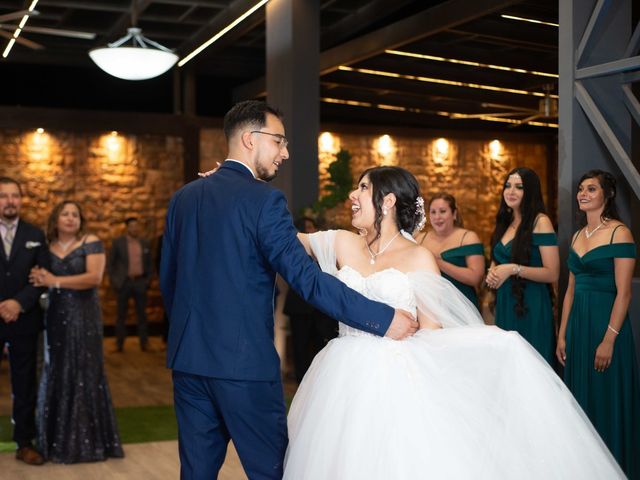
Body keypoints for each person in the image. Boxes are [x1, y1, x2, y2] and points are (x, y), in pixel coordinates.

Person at [284, 166, 624, 479]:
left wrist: (488, 344)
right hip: (340, 375)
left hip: (393, 378)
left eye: (362, 188)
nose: (352, 196)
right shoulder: (342, 241)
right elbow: (281, 237)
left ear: (387, 201)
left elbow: (431, 329)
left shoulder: (418, 256)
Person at [159, 100, 417, 479]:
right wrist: (382, 318)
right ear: (250, 139)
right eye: (279, 141)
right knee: (274, 472)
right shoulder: (264, 200)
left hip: (188, 362)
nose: (285, 153)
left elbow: (170, 280)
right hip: (243, 366)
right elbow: (306, 280)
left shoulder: (183, 198)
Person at [556, 170, 639, 479]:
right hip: (578, 327)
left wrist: (609, 339)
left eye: (591, 189)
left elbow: (625, 292)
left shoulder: (620, 232)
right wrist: (563, 334)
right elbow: (570, 291)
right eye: (580, 189)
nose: (583, 193)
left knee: (607, 397)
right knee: (580, 402)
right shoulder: (578, 236)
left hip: (607, 326)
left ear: (607, 195)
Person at [30, 200, 123, 463]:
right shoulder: (46, 248)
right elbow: (38, 275)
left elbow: (94, 278)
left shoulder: (90, 242)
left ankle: (89, 442)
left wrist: (55, 281)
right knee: (58, 371)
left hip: (84, 317)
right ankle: (56, 440)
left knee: (84, 371)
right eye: (65, 214)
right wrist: (41, 278)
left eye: (75, 215)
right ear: (55, 220)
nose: (71, 219)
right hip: (56, 317)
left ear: (81, 221)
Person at [486, 167, 559, 364]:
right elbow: (498, 257)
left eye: (519, 187)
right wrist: (492, 272)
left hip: (532, 304)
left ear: (531, 191)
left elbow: (552, 273)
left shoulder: (541, 221)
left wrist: (513, 269)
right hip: (505, 302)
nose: (511, 191)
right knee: (508, 366)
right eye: (508, 186)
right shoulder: (505, 221)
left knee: (531, 365)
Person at [0, 176, 48, 466]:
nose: (9, 201)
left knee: (25, 383)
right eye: (3, 196)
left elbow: (41, 276)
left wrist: (19, 302)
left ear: (21, 199)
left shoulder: (35, 233)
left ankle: (24, 442)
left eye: (14, 196)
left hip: (24, 319)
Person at [284, 217, 338, 383]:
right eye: (307, 227)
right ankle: (301, 381)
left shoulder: (323, 248)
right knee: (300, 347)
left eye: (313, 226)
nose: (311, 230)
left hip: (320, 307)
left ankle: (318, 381)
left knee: (321, 345)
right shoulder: (293, 249)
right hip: (299, 306)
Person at [415, 193, 484, 309]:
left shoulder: (468, 237)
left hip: (462, 306)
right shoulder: (420, 239)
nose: (437, 217)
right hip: (429, 306)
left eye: (442, 211)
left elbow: (475, 278)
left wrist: (438, 262)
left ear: (454, 213)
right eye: (433, 212)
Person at [108, 216, 153, 352]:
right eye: (132, 226)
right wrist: (115, 282)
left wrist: (147, 281)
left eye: (136, 226)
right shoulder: (118, 243)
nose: (135, 228)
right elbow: (111, 264)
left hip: (140, 282)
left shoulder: (145, 243)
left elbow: (150, 264)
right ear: (127, 228)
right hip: (124, 283)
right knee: (121, 315)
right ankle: (119, 344)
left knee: (142, 315)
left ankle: (144, 343)